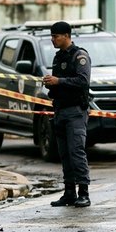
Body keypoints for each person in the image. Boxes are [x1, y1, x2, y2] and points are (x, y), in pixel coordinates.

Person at [43, 21, 92, 208]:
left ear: (66, 36)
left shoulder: (80, 56)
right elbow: (59, 83)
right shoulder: (58, 57)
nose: (52, 39)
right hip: (60, 110)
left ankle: (84, 192)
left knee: (76, 151)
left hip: (75, 112)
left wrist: (59, 81)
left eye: (55, 36)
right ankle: (69, 192)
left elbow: (82, 81)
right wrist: (51, 84)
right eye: (52, 36)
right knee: (64, 154)